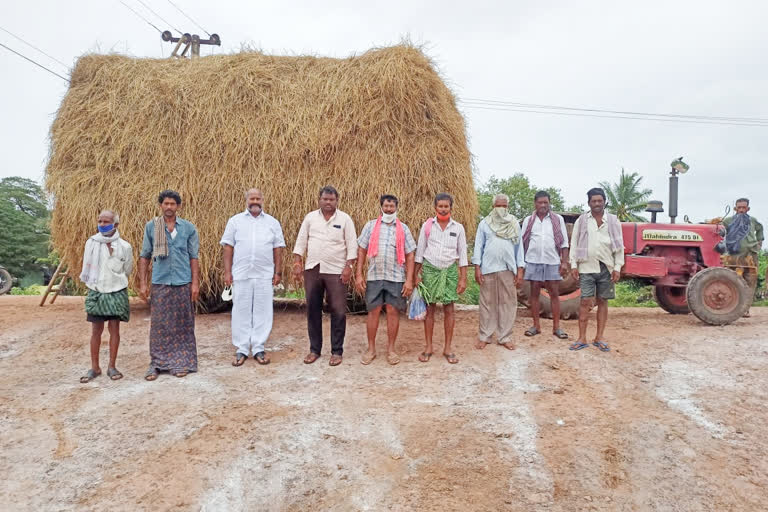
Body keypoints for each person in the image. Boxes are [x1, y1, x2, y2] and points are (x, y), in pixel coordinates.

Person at [138, 190, 200, 380]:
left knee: (183, 324)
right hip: (160, 281)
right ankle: (157, 363)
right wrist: (142, 283)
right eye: (166, 203)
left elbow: (194, 257)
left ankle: (182, 362)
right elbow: (145, 256)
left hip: (182, 281)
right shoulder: (152, 227)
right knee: (160, 325)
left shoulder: (188, 228)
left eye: (173, 204)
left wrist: (195, 283)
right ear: (160, 206)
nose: (169, 207)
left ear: (178, 207)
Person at [292, 186, 357, 366]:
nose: (328, 202)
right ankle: (314, 350)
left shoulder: (345, 219)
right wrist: (297, 263)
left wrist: (348, 267)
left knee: (338, 310)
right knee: (313, 310)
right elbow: (301, 241)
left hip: (336, 271)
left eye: (331, 200)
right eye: (325, 199)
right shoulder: (310, 218)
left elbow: (352, 245)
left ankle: (337, 351)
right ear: (319, 200)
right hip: (313, 269)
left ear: (337, 201)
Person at [221, 188, 286, 366]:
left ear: (262, 200)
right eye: (252, 198)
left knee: (263, 311)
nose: (255, 201)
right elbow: (228, 247)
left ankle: (258, 347)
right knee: (241, 310)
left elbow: (278, 248)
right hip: (241, 273)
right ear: (246, 201)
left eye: (258, 198)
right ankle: (242, 348)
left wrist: (277, 272)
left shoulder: (272, 222)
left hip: (264, 274)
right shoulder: (235, 221)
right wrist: (228, 272)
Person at [355, 194, 417, 365]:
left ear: (397, 207)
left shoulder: (403, 228)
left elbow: (410, 254)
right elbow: (361, 249)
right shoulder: (370, 226)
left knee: (392, 311)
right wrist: (359, 274)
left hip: (396, 277)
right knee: (373, 311)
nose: (389, 209)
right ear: (381, 207)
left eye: (392, 206)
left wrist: (409, 280)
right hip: (375, 276)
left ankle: (391, 349)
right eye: (386, 206)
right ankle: (371, 349)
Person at [78, 210, 133, 383]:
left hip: (117, 290)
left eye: (106, 221)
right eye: (99, 221)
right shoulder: (91, 243)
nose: (102, 224)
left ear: (115, 225)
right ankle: (94, 368)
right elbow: (87, 266)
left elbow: (128, 270)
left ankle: (112, 366)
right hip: (97, 290)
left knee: (114, 329)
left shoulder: (125, 246)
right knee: (96, 330)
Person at [414, 193, 469, 364]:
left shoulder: (458, 228)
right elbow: (420, 251)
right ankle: (428, 347)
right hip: (430, 270)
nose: (443, 209)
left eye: (446, 206)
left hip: (450, 271)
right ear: (435, 208)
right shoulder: (427, 226)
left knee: (449, 308)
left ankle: (448, 348)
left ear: (451, 208)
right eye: (440, 206)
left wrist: (463, 278)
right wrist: (416, 274)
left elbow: (463, 255)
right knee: (429, 309)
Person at [569, 187, 624, 352]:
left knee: (602, 301)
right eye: (594, 201)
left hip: (606, 267)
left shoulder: (613, 221)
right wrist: (573, 265)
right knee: (585, 301)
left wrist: (617, 267)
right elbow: (574, 243)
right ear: (589, 203)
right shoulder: (582, 220)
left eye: (600, 200)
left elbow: (619, 247)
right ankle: (581, 338)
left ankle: (599, 338)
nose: (597, 203)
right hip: (586, 266)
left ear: (605, 202)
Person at [472, 194, 525, 350]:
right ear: (493, 207)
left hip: (508, 269)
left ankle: (505, 337)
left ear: (507, 207)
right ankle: (485, 336)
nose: (501, 209)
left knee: (508, 303)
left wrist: (520, 269)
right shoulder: (484, 224)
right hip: (488, 268)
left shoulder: (514, 223)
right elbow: (478, 246)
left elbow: (519, 247)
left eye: (504, 206)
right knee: (487, 303)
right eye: (498, 206)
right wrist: (477, 267)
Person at [521, 191, 570, 339]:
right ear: (535, 203)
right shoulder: (528, 220)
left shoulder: (557, 219)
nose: (543, 205)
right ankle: (536, 326)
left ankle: (557, 328)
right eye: (540, 202)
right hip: (533, 261)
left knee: (554, 294)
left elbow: (564, 242)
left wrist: (564, 262)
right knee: (534, 294)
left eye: (546, 202)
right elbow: (522, 242)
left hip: (552, 261)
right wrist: (521, 264)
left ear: (549, 203)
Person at [722, 197, 764, 316]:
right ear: (735, 208)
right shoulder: (728, 221)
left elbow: (760, 229)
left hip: (751, 255)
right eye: (739, 208)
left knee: (750, 281)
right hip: (733, 255)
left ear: (748, 209)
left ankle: (745, 309)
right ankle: (728, 307)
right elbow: (719, 231)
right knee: (730, 279)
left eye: (743, 208)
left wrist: (759, 243)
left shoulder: (753, 221)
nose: (741, 210)